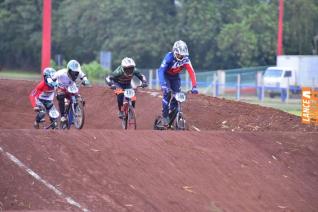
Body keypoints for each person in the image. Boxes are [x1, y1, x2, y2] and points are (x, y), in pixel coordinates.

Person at [158, 40, 198, 126]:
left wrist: (194, 86)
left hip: (175, 78)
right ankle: (165, 116)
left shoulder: (186, 60)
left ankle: (173, 112)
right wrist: (163, 85)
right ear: (175, 52)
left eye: (183, 55)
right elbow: (161, 71)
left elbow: (191, 72)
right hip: (166, 76)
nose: (181, 57)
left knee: (178, 96)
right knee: (167, 93)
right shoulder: (169, 57)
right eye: (179, 55)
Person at [52, 59, 90, 124]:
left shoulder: (79, 71)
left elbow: (83, 76)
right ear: (69, 70)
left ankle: (73, 114)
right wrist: (53, 82)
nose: (75, 74)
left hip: (71, 87)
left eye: (76, 73)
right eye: (73, 72)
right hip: (61, 88)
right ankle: (63, 116)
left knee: (80, 100)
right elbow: (53, 77)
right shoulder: (61, 72)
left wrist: (86, 80)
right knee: (61, 95)